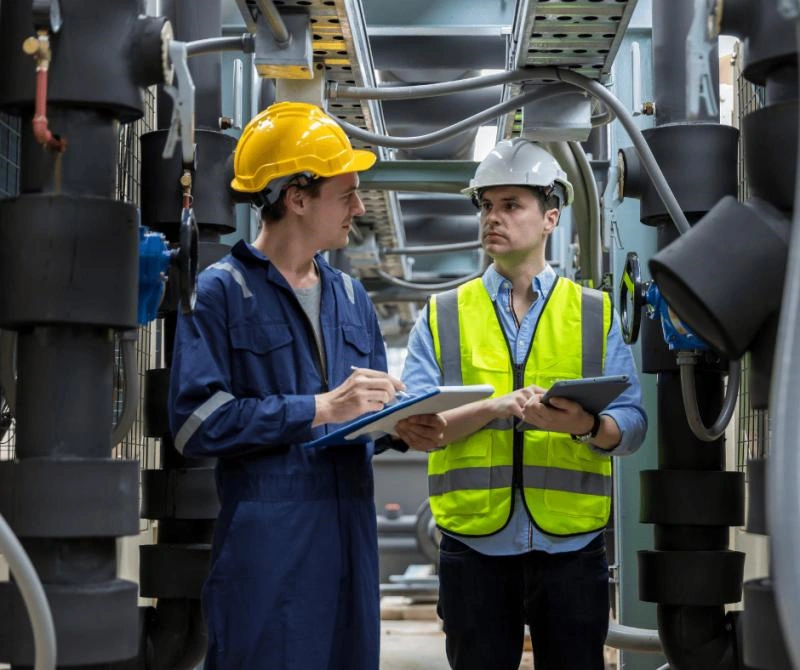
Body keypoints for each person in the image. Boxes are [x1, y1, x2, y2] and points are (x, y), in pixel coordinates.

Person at [168, 101, 445, 670]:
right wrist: (318, 408)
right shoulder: (221, 292)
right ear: (297, 198)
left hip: (350, 534)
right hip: (268, 541)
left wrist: (398, 426)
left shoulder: (350, 297)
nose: (359, 208)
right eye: (347, 195)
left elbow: (359, 417)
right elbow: (196, 424)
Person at [401, 138, 647, 670]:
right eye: (487, 205)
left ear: (550, 218)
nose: (493, 217)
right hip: (473, 546)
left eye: (511, 205)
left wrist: (585, 426)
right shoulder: (444, 313)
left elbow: (631, 424)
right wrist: (494, 408)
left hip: (571, 547)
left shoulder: (594, 312)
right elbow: (417, 427)